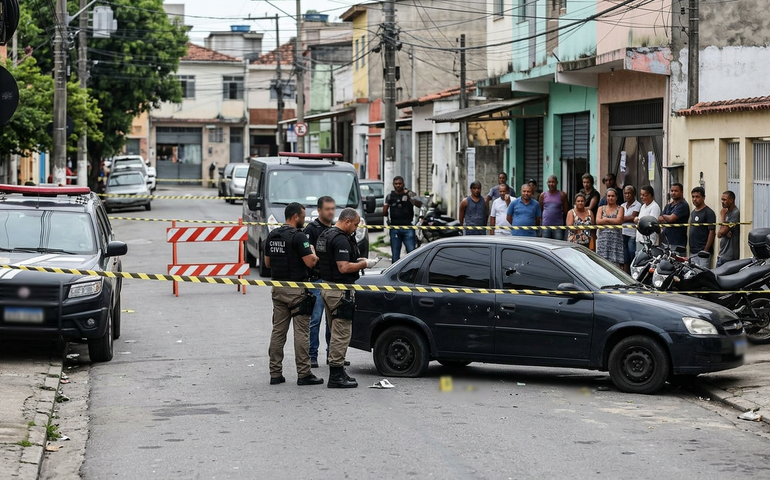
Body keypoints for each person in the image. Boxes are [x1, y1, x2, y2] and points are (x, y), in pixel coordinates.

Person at [316, 208, 378, 388]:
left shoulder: (326, 235)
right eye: (356, 225)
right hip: (340, 291)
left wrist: (358, 260)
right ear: (347, 221)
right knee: (341, 333)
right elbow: (343, 267)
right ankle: (336, 375)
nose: (356, 229)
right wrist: (364, 264)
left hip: (328, 287)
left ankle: (338, 370)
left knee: (335, 331)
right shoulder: (340, 238)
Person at [264, 202, 324, 386]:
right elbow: (311, 262)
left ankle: (275, 374)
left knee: (278, 332)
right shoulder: (299, 237)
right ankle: (304, 374)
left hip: (278, 289)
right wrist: (313, 253)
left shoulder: (272, 235)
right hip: (297, 290)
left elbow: (268, 264)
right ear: (296, 217)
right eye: (303, 217)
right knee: (301, 333)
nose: (305, 220)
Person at [303, 196, 337, 369]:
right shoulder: (312, 229)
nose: (331, 212)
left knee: (333, 322)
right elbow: (310, 256)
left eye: (333, 208)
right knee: (315, 320)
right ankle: (312, 355)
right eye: (327, 209)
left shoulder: (336, 229)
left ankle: (333, 356)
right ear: (319, 210)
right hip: (317, 281)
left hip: (333, 281)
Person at [383, 176, 422, 262]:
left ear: (403, 184)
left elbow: (419, 205)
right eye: (396, 184)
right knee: (395, 255)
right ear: (393, 185)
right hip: (395, 228)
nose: (398, 185)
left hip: (408, 227)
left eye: (400, 183)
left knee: (411, 253)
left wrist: (411, 198)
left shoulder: (409, 194)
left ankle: (411, 271)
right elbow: (384, 212)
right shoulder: (390, 196)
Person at [688, 187, 717, 268]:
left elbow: (712, 232)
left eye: (697, 197)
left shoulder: (709, 212)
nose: (694, 199)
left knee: (702, 275)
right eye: (693, 197)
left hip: (702, 252)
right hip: (693, 252)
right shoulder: (693, 212)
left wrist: (706, 250)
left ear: (703, 197)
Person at [596, 188, 625, 266]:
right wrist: (612, 220)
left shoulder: (620, 208)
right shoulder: (601, 208)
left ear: (616, 197)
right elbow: (598, 221)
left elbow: (619, 221)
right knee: (602, 262)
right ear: (606, 197)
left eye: (612, 196)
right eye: (608, 196)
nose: (610, 198)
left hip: (616, 239)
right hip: (603, 240)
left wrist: (605, 219)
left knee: (615, 264)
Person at [659, 183, 690, 249]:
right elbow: (659, 218)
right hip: (665, 242)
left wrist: (665, 217)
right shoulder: (668, 206)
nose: (673, 193)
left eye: (676, 191)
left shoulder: (683, 205)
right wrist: (666, 217)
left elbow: (671, 219)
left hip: (677, 243)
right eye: (672, 191)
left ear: (682, 192)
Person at [538, 175, 570, 240]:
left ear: (557, 183)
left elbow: (566, 211)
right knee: (545, 244)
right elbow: (540, 210)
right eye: (549, 182)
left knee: (558, 244)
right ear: (547, 183)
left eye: (553, 182)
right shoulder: (543, 195)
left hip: (558, 226)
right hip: (546, 226)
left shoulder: (562, 195)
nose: (551, 184)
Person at [635, 185, 662, 252]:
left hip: (649, 240)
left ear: (650, 195)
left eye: (644, 195)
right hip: (640, 238)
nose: (642, 197)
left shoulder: (654, 207)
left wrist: (639, 221)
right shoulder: (643, 206)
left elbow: (651, 222)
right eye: (641, 195)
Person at [621, 185, 642, 272]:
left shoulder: (638, 205)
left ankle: (633, 274)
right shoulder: (622, 205)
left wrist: (621, 218)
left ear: (634, 194)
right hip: (623, 233)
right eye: (625, 193)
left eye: (629, 193)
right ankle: (626, 274)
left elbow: (633, 217)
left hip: (632, 234)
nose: (627, 195)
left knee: (632, 255)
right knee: (625, 257)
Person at [717, 190, 741, 266]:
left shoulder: (735, 213)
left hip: (729, 257)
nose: (722, 202)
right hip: (722, 253)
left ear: (731, 200)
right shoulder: (727, 212)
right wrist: (725, 231)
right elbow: (721, 233)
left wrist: (723, 216)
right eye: (722, 199)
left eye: (724, 200)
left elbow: (720, 233)